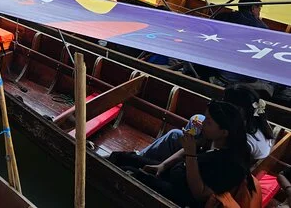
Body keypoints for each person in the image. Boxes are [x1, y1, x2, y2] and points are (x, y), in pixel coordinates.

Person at [112, 100, 256, 208]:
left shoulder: (232, 164)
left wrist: (191, 154)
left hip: (181, 195)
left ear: (224, 132)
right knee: (122, 157)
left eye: (208, 122)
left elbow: (199, 194)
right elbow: (187, 152)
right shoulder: (214, 140)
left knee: (128, 172)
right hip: (176, 174)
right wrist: (163, 166)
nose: (203, 124)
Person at [128, 84, 273, 164]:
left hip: (215, 165)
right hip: (223, 156)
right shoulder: (257, 121)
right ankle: (154, 158)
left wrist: (199, 140)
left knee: (174, 136)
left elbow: (217, 155)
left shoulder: (243, 141)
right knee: (195, 119)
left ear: (237, 110)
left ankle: (141, 158)